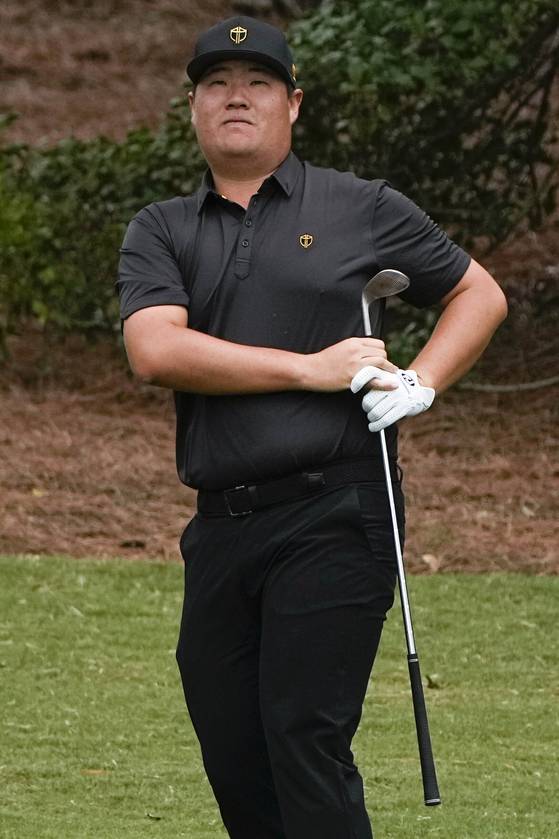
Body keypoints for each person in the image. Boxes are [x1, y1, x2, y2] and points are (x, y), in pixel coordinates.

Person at [117, 15, 507, 839]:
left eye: (257, 83)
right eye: (217, 84)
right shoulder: (161, 227)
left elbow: (479, 293)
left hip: (338, 510)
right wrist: (310, 367)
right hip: (221, 523)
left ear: (292, 103)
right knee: (233, 745)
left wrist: (421, 379)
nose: (236, 98)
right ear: (192, 106)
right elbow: (155, 348)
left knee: (303, 731)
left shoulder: (360, 206)